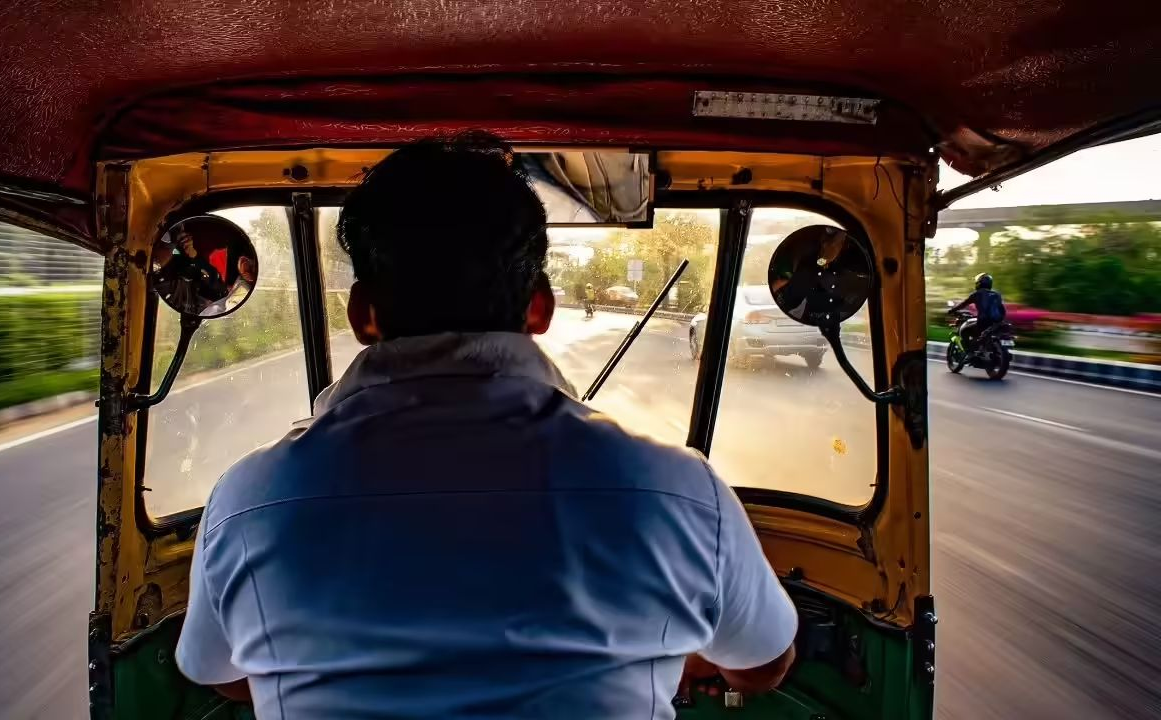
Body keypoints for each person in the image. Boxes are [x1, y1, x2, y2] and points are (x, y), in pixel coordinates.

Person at [175, 132, 797, 718]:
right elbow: (764, 665)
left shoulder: (249, 502)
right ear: (541, 307)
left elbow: (222, 673)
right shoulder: (677, 490)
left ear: (364, 313)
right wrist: (676, 653)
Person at [949, 272, 1007, 351]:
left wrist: (952, 310)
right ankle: (978, 348)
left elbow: (963, 304)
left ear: (978, 283)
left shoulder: (977, 294)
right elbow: (1002, 310)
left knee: (964, 330)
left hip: (983, 323)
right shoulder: (997, 295)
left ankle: (969, 352)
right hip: (996, 323)